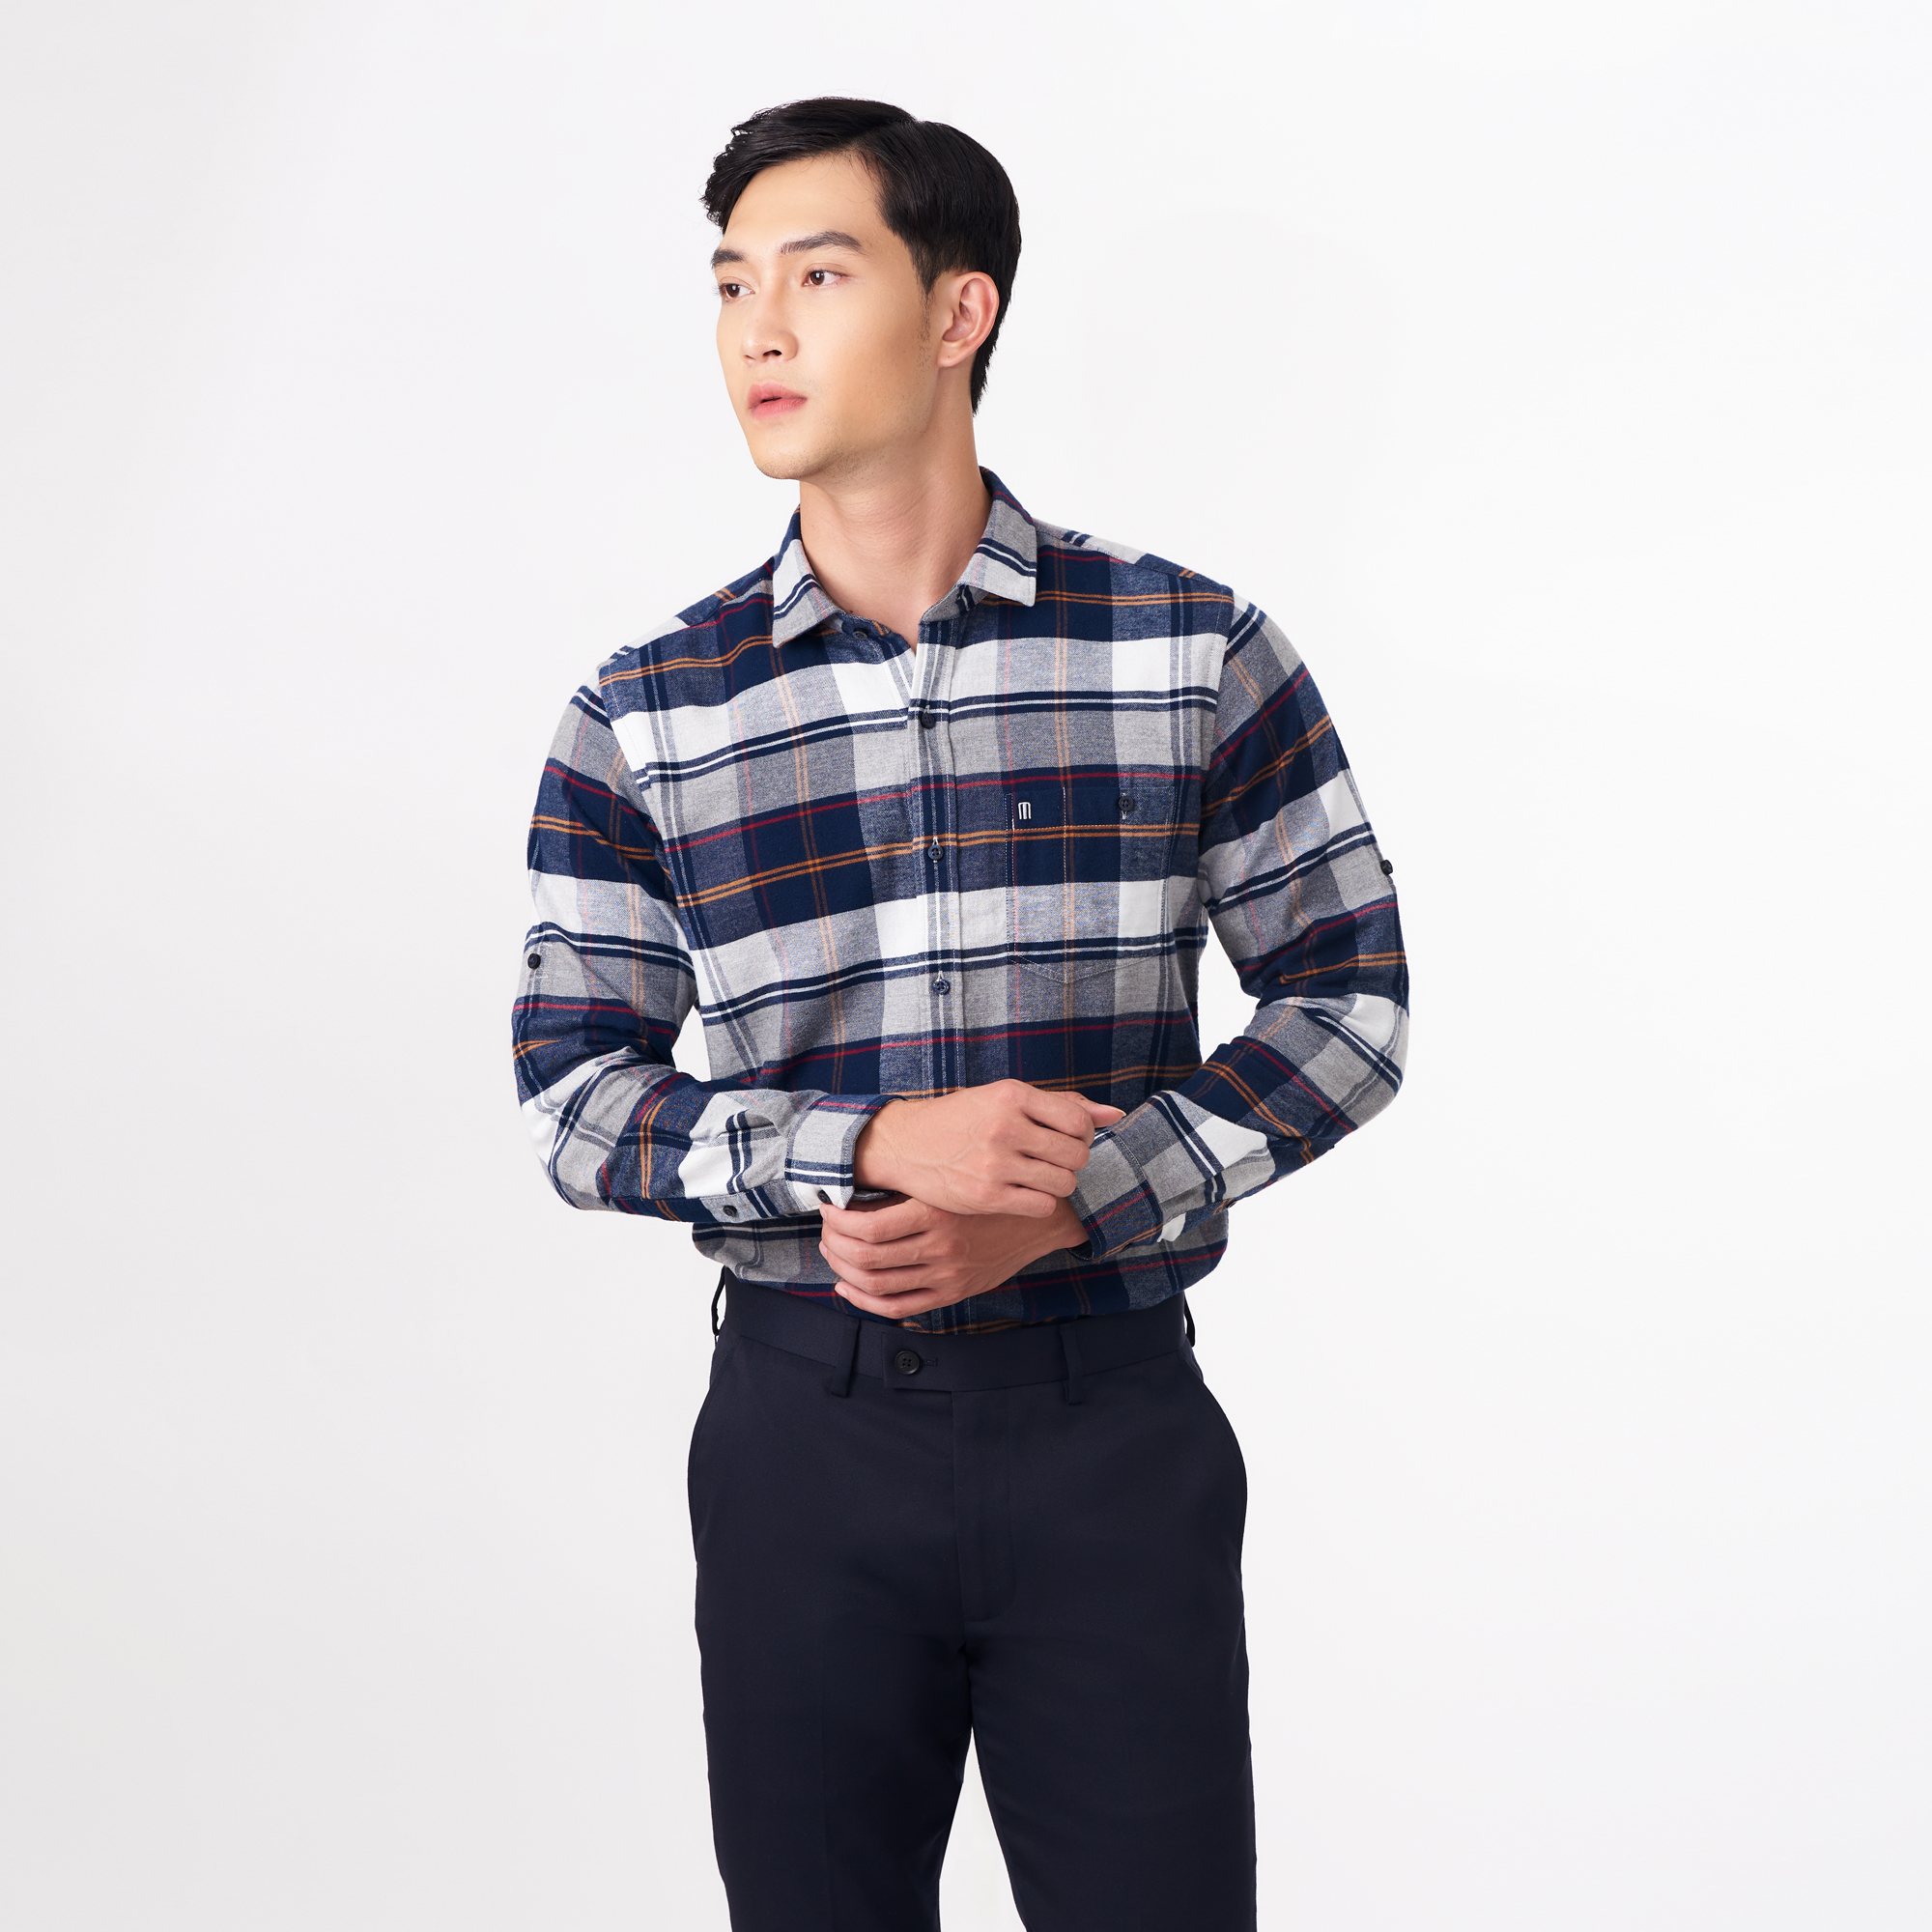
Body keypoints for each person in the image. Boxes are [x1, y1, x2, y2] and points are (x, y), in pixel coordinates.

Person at [511, 96, 1407, 1932]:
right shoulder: (648, 710)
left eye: (818, 276)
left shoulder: (1187, 647)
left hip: (1111, 1432)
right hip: (803, 1444)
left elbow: (1350, 999)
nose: (757, 331)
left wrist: (1079, 1198)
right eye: (731, 285)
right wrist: (871, 1148)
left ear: (956, 311)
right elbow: (573, 1098)